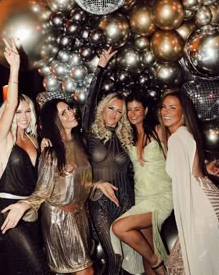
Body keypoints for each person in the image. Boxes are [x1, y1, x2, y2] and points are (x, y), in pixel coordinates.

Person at [0, 97, 120, 275]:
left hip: (80, 218)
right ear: (56, 121)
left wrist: (97, 184)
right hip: (59, 219)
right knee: (85, 271)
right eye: (64, 113)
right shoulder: (52, 153)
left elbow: (79, 182)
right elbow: (43, 188)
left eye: (70, 109)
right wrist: (25, 204)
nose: (71, 112)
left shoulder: (79, 144)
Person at [0, 38, 50, 274]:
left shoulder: (35, 140)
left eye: (28, 111)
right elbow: (11, 103)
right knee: (38, 270)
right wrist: (14, 68)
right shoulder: (2, 137)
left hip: (33, 209)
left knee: (21, 270)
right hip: (8, 209)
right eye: (18, 112)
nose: (24, 116)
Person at [160, 89, 219, 275]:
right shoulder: (184, 134)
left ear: (183, 112)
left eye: (172, 107)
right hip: (207, 198)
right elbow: (194, 172)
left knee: (182, 265)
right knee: (189, 263)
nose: (165, 111)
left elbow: (183, 188)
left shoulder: (177, 139)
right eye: (164, 107)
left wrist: (185, 228)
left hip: (202, 204)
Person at [82, 47, 135, 275]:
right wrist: (100, 68)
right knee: (114, 258)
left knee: (124, 263)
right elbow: (89, 100)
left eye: (119, 112)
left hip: (125, 202)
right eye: (111, 108)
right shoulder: (90, 132)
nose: (114, 114)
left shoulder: (126, 138)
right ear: (103, 109)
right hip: (99, 202)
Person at [110, 91, 173, 275]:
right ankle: (155, 263)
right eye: (129, 110)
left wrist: (202, 166)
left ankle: (157, 263)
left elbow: (179, 156)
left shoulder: (159, 130)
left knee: (119, 227)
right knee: (147, 251)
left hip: (161, 197)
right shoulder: (128, 136)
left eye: (137, 109)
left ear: (145, 111)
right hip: (141, 197)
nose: (132, 114)